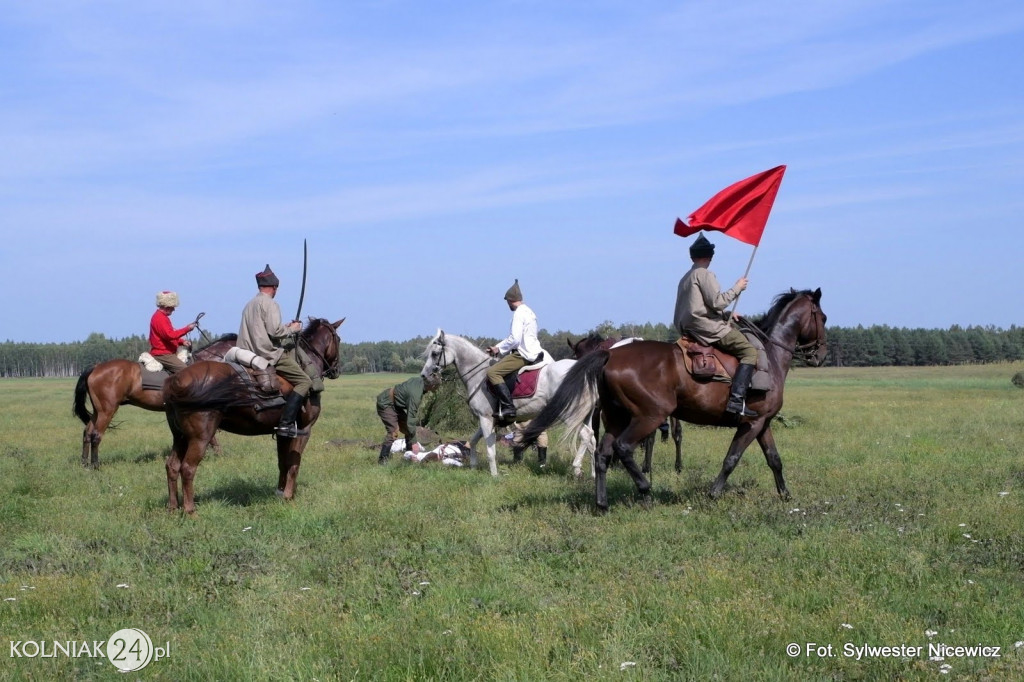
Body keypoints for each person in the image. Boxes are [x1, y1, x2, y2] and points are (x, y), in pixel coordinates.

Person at [674, 234, 759, 418]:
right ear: (709, 256)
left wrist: (727, 315)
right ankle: (737, 400)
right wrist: (738, 288)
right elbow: (717, 302)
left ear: (692, 256)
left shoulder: (686, 277)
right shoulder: (704, 274)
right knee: (749, 351)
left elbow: (701, 305)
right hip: (706, 327)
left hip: (689, 327)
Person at [238, 264, 312, 438]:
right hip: (267, 354)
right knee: (305, 381)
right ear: (274, 288)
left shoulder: (249, 304)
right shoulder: (270, 304)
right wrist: (293, 329)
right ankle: (286, 424)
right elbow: (275, 332)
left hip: (247, 353)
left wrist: (284, 326)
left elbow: (264, 329)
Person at [485, 279, 542, 426]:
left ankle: (508, 407)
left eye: (507, 302)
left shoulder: (518, 313)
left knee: (492, 372)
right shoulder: (530, 311)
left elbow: (515, 339)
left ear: (510, 300)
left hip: (523, 354)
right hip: (535, 351)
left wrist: (498, 348)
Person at [376, 373, 442, 464]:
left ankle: (409, 454)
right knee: (393, 431)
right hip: (386, 403)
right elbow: (411, 420)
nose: (438, 388)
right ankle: (383, 460)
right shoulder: (415, 395)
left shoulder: (420, 381)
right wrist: (415, 442)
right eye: (437, 386)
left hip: (395, 403)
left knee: (408, 429)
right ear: (433, 385)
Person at [148, 291, 197, 374]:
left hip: (167, 352)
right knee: (186, 371)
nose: (174, 309)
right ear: (167, 306)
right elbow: (169, 335)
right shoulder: (160, 318)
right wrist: (187, 328)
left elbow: (167, 336)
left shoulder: (162, 317)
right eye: (172, 307)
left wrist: (182, 342)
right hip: (163, 354)